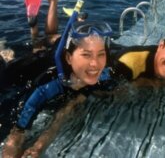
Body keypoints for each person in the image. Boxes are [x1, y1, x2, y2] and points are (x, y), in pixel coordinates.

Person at [2, 20, 113, 158]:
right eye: (86, 54)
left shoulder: (103, 74)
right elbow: (17, 133)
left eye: (101, 54)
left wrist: (40, 144)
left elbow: (68, 107)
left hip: (57, 56)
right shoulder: (46, 85)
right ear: (68, 58)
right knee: (7, 63)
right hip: (20, 71)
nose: (95, 64)